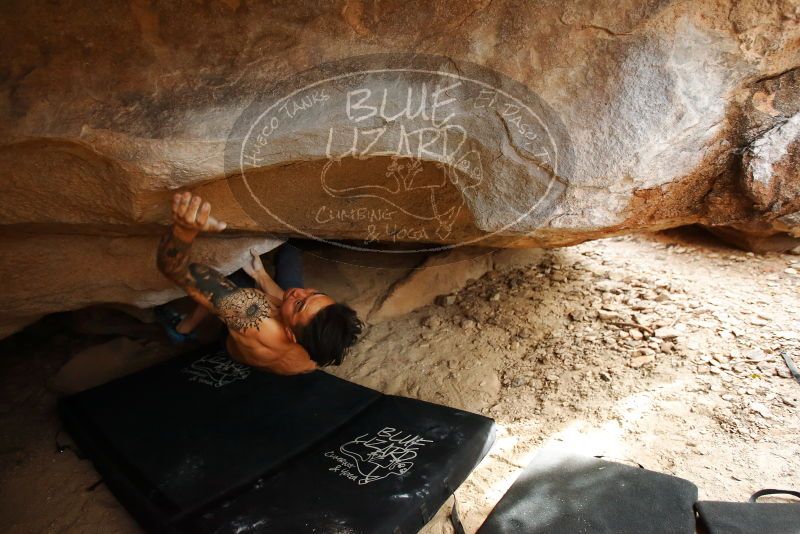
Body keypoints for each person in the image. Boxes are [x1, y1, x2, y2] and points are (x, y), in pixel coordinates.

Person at [156, 192, 363, 375]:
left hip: (236, 345)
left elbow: (175, 269)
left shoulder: (248, 312)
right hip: (281, 359)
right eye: (314, 293)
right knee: (291, 250)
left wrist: (183, 231)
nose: (299, 292)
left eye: (300, 304)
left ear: (291, 334)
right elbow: (293, 306)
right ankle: (271, 282)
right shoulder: (320, 347)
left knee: (234, 277)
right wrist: (260, 274)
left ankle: (183, 329)